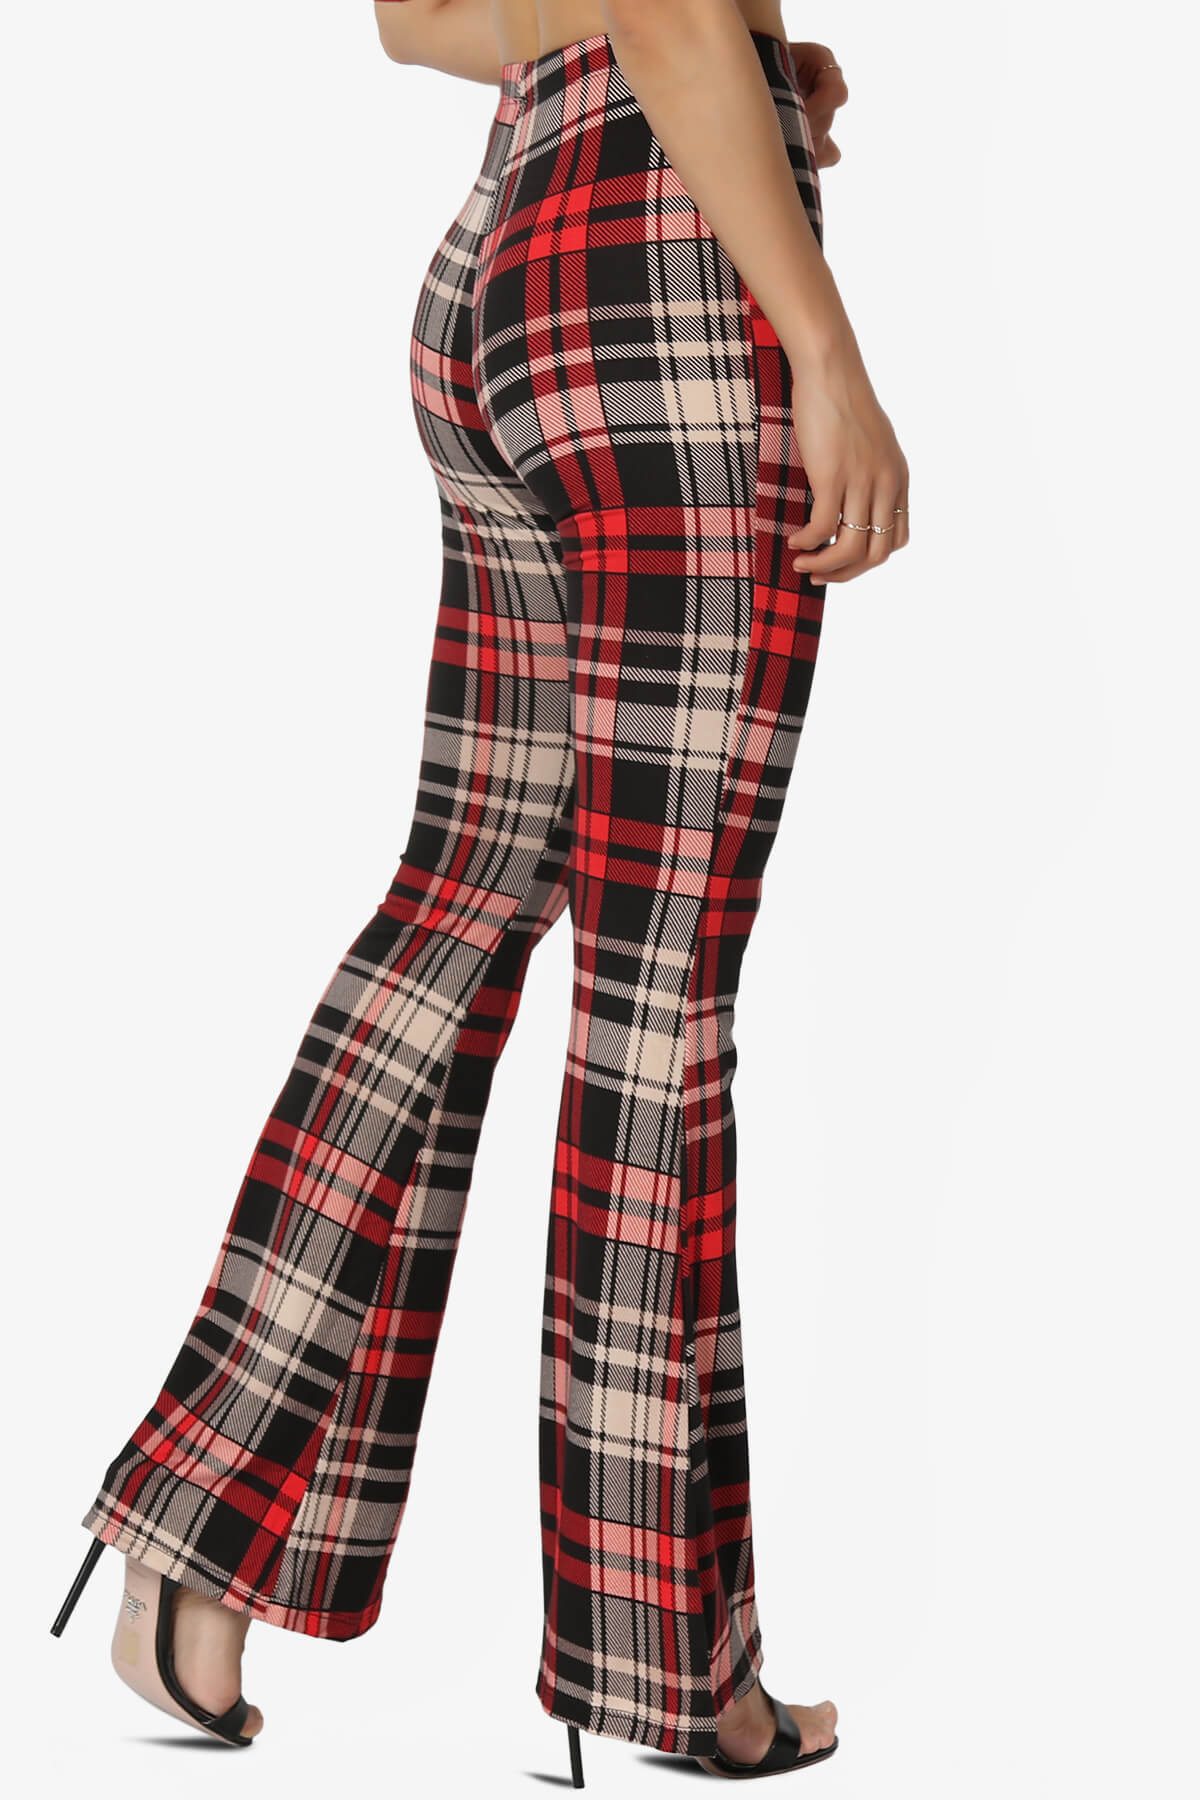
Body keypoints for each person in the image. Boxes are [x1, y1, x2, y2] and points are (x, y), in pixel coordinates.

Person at [50, 0, 908, 1784]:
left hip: (507, 272)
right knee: (659, 979)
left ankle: (196, 1528)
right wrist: (823, 343)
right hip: (669, 287)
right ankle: (663, 1657)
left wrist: (737, 59)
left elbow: (418, 17)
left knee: (460, 900)